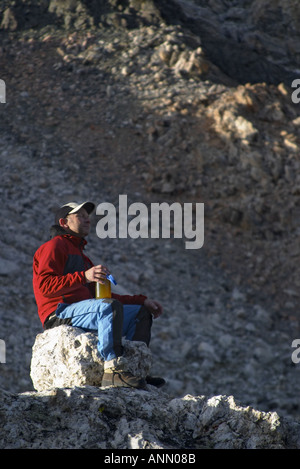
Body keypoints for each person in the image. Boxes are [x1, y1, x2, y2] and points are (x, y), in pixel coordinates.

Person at [32, 201, 164, 389]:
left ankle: (136, 371)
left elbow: (102, 297)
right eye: (80, 215)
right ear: (64, 222)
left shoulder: (83, 258)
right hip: (59, 312)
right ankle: (113, 370)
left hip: (85, 310)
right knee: (108, 307)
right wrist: (83, 277)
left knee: (140, 313)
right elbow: (45, 286)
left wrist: (142, 300)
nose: (87, 219)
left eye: (87, 215)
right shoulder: (54, 247)